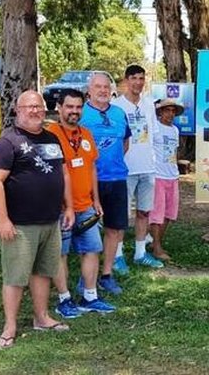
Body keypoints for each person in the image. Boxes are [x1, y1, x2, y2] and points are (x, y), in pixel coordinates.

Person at [0, 91, 74, 349]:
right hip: (20, 224)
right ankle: (10, 327)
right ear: (18, 109)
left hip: (50, 220)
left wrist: (69, 207)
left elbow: (63, 173)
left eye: (38, 106)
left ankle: (42, 317)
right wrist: (2, 220)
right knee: (15, 276)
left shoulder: (52, 138)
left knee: (43, 272)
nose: (35, 111)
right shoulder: (8, 142)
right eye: (29, 107)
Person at [47, 89, 116, 317]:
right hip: (60, 209)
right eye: (69, 107)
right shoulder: (50, 134)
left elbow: (92, 167)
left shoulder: (86, 134)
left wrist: (96, 200)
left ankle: (90, 296)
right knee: (61, 254)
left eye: (78, 107)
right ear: (59, 107)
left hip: (86, 206)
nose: (74, 111)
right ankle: (64, 299)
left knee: (92, 250)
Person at [80, 72, 132, 295]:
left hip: (117, 179)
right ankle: (85, 277)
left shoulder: (120, 113)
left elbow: (125, 143)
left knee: (114, 229)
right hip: (89, 182)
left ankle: (107, 274)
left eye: (106, 87)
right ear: (89, 90)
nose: (102, 90)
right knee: (87, 230)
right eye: (97, 86)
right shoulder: (80, 113)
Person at [113, 65, 164, 268]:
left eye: (141, 78)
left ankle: (140, 253)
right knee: (121, 215)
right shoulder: (116, 106)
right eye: (134, 78)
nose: (138, 82)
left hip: (147, 168)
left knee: (144, 212)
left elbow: (156, 134)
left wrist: (157, 162)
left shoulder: (149, 104)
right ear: (126, 80)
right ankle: (117, 256)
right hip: (125, 169)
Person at [149, 99, 183, 261]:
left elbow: (174, 153)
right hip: (158, 175)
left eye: (173, 111)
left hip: (172, 175)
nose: (170, 114)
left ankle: (156, 242)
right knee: (157, 214)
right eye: (167, 110)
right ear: (160, 112)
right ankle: (156, 247)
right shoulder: (154, 128)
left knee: (169, 214)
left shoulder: (175, 130)